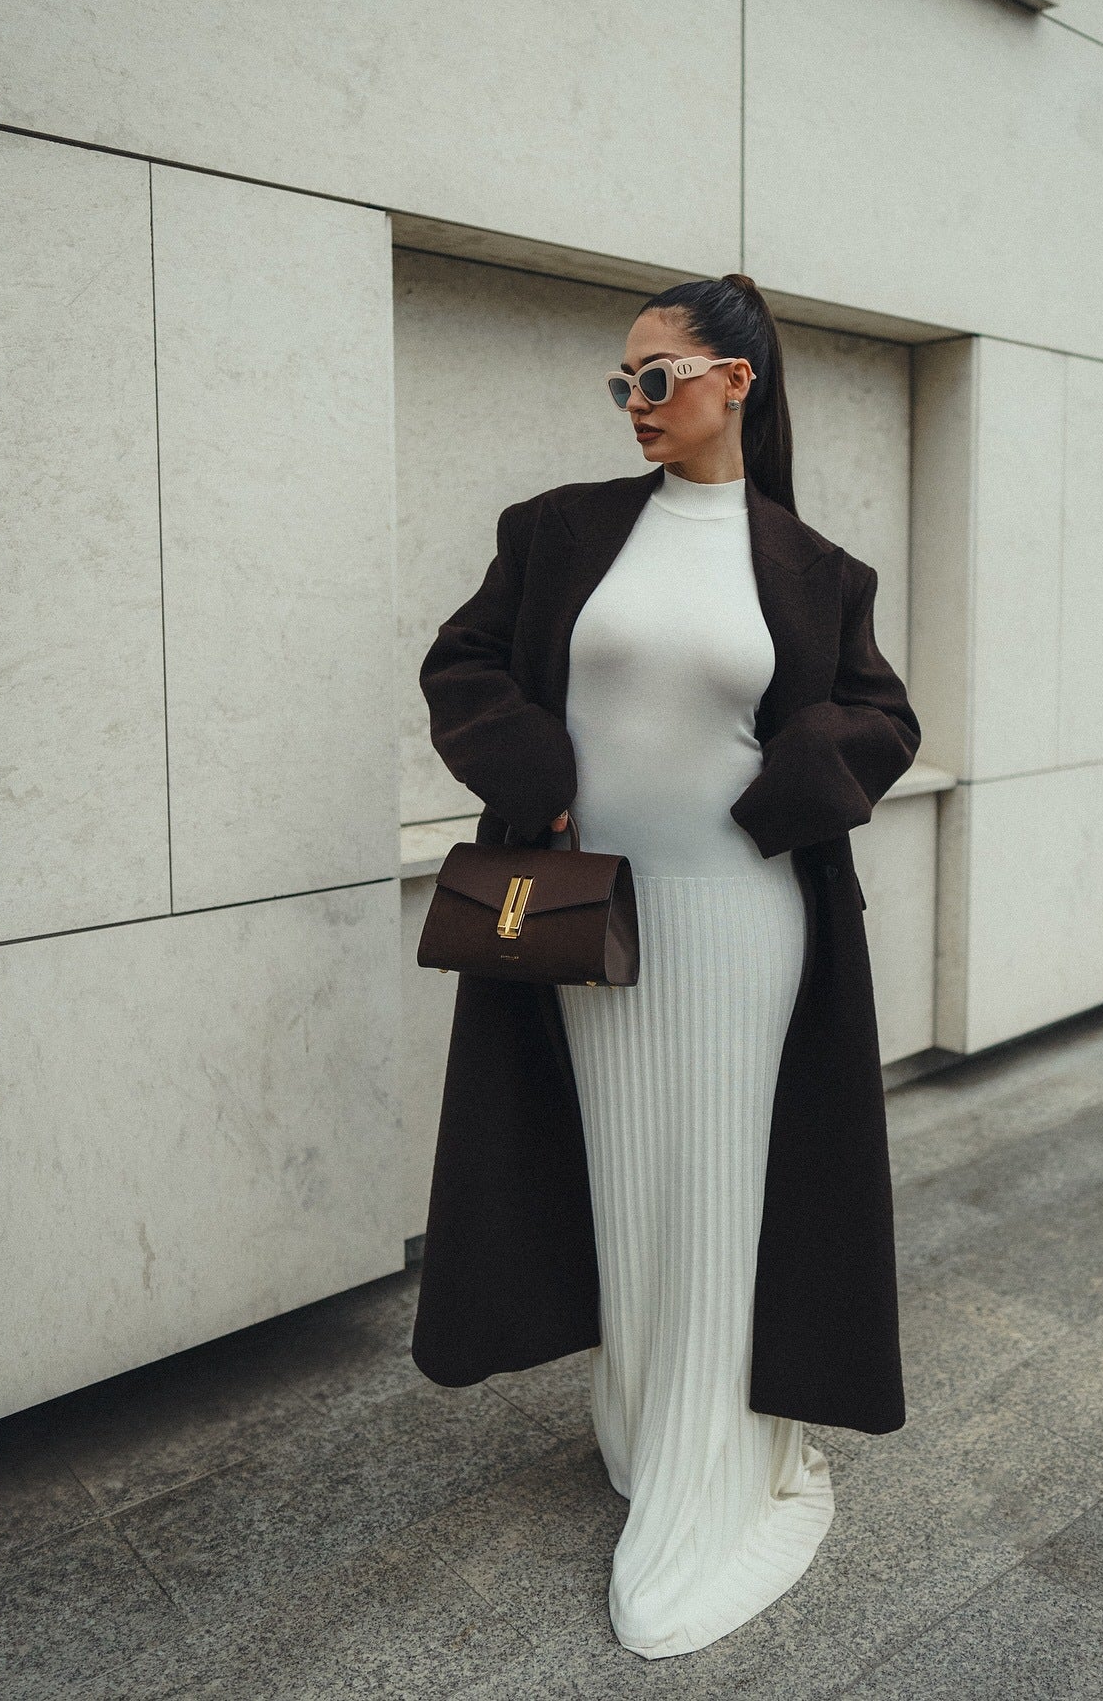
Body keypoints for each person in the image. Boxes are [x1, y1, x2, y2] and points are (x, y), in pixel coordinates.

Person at [413, 272, 920, 1659]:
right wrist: (539, 773)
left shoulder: (815, 570)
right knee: (626, 1179)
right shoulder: (560, 533)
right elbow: (461, 664)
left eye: (658, 376)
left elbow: (882, 715)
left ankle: (710, 1476)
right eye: (622, 381)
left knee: (719, 1189)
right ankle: (645, 1428)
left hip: (745, 922)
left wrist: (777, 795)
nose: (635, 402)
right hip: (588, 920)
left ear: (734, 382)